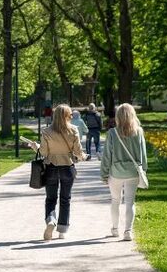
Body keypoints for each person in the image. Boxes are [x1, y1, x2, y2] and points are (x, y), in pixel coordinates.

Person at [24, 103, 86, 240]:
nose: (71, 116)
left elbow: (44, 152)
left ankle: (51, 220)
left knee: (51, 199)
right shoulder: (74, 130)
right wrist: (83, 156)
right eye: (70, 114)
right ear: (66, 116)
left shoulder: (46, 131)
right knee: (66, 199)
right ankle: (63, 229)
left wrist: (36, 147)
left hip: (51, 167)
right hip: (67, 167)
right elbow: (77, 151)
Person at [100, 102, 147, 241]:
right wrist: (143, 170)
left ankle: (115, 229)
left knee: (115, 200)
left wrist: (104, 173)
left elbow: (107, 155)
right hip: (132, 172)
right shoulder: (138, 132)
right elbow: (143, 154)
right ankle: (128, 231)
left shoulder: (112, 133)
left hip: (116, 172)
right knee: (130, 202)